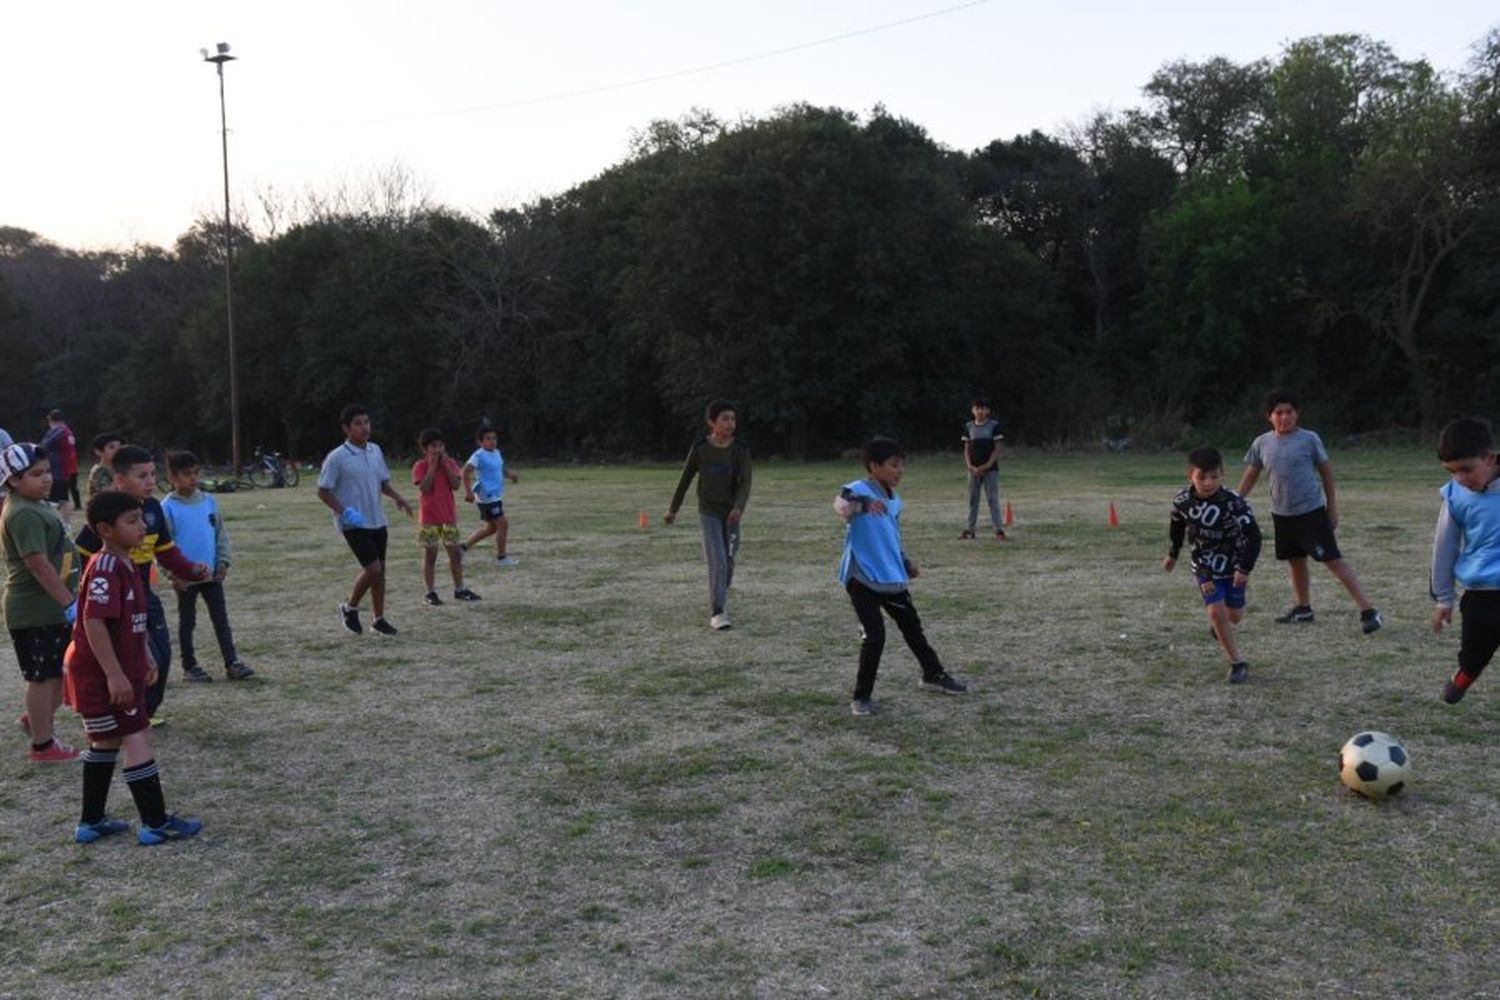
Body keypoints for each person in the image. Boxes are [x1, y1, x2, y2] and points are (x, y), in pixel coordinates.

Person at [69, 490, 203, 845]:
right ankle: (156, 822)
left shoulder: (128, 562)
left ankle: (91, 821)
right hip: (103, 675)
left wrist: (143, 650)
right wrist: (114, 673)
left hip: (120, 670)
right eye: (131, 522)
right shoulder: (105, 567)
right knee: (137, 736)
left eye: (141, 519)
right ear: (105, 529)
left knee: (106, 740)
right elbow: (94, 623)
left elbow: (129, 620)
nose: (142, 527)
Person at [834, 437, 968, 716]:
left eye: (902, 465)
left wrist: (905, 562)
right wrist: (865, 504)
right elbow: (840, 506)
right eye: (894, 465)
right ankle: (861, 697)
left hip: (891, 577)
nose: (900, 470)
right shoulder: (858, 489)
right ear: (874, 466)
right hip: (862, 579)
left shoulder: (896, 501)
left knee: (912, 628)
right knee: (875, 636)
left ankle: (932, 674)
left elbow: (892, 536)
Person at [74, 445, 209, 721]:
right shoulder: (106, 512)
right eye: (142, 476)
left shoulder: (153, 509)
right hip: (113, 602)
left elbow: (166, 550)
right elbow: (81, 562)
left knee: (160, 654)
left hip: (143, 593)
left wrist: (191, 569)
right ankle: (127, 714)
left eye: (152, 474)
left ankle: (144, 712)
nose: (150, 482)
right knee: (125, 656)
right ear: (120, 479)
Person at [1236, 389, 1383, 634]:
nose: (1285, 418)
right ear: (1269, 416)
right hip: (1282, 514)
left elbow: (1326, 472)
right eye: (1279, 413)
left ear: (1297, 414)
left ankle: (1369, 610)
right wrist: (1235, 501)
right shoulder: (1262, 443)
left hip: (1311, 513)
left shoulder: (1309, 439)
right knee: (1295, 560)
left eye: (1289, 412)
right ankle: (1303, 608)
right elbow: (1252, 473)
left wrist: (1332, 508)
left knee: (1332, 560)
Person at [1, 443, 81, 762]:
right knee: (42, 675)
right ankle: (43, 746)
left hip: (50, 608)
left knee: (55, 673)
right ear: (13, 480)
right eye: (37, 474)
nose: (46, 478)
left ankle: (35, 721)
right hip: (35, 610)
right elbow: (37, 563)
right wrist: (67, 602)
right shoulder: (21, 512)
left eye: (48, 471)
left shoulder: (36, 504)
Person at [1163, 447, 1262, 684]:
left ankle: (1220, 627)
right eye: (1201, 477)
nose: (1208, 483)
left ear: (1223, 475)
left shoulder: (1233, 502)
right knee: (1216, 611)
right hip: (1204, 565)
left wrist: (1244, 569)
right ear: (1190, 476)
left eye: (1214, 477)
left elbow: (1254, 536)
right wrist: (1173, 554)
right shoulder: (1182, 501)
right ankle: (1237, 662)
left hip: (1233, 563)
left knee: (1234, 616)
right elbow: (1176, 527)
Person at [317, 404, 413, 636]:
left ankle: (378, 619)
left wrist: (398, 498)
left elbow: (382, 483)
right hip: (354, 523)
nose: (364, 427)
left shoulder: (375, 450)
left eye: (366, 422)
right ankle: (349, 607)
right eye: (358, 423)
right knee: (373, 569)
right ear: (346, 429)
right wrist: (343, 511)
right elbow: (323, 490)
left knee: (381, 572)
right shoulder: (337, 457)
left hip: (377, 519)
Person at [160, 450, 254, 681]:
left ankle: (232, 662)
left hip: (211, 575)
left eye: (195, 473)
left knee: (221, 619)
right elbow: (161, 547)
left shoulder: (209, 501)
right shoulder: (167, 508)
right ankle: (189, 666)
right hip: (185, 577)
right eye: (186, 474)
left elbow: (220, 534)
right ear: (173, 477)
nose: (193, 478)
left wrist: (222, 561)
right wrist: (173, 575)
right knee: (188, 622)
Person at [665, 399, 752, 631]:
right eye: (724, 419)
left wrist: (738, 508)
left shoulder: (740, 450)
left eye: (733, 419)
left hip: (731, 514)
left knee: (730, 557)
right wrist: (673, 509)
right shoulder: (701, 449)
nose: (730, 423)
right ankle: (718, 611)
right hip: (709, 512)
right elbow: (685, 480)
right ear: (711, 422)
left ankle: (721, 590)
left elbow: (746, 484)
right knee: (718, 560)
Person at [1431, 417, 1500, 704]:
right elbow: (1444, 547)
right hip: (1481, 593)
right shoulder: (1456, 496)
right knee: (1474, 654)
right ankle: (1464, 676)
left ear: (1490, 458)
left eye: (1466, 469)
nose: (1460, 478)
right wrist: (1444, 598)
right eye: (1452, 472)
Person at [413, 428, 480, 606]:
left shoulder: (449, 463)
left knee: (455, 554)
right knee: (431, 555)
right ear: (425, 449)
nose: (438, 450)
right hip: (429, 519)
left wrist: (445, 466)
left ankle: (460, 589)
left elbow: (456, 485)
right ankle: (430, 592)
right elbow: (424, 488)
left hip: (448, 517)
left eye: (440, 445)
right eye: (433, 446)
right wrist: (433, 467)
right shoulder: (420, 466)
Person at [461, 424, 521, 567]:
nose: (492, 441)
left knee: (491, 528)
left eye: (494, 438)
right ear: (480, 442)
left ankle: (462, 548)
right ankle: (501, 558)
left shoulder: (497, 452)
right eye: (488, 439)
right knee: (503, 524)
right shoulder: (478, 455)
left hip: (496, 495)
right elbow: (465, 471)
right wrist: (468, 492)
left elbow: (500, 468)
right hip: (486, 496)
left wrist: (510, 475)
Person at [960, 397, 1006, 541]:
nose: (980, 411)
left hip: (990, 470)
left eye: (983, 408)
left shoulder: (994, 425)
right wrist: (970, 466)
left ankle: (998, 529)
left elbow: (998, 448)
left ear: (988, 410)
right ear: (973, 411)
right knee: (973, 500)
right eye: (977, 408)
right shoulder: (968, 427)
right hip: (973, 471)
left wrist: (987, 465)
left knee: (993, 499)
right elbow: (966, 449)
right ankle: (970, 529)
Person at [40, 409, 79, 523]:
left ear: (51, 419)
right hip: (66, 470)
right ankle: (67, 527)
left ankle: (54, 526)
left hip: (56, 471)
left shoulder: (58, 430)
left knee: (52, 502)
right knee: (63, 500)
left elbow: (43, 446)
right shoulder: (68, 431)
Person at [86, 432, 124, 502]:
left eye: (119, 447)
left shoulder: (115, 469)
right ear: (98, 452)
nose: (117, 450)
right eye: (112, 447)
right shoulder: (98, 472)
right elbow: (105, 496)